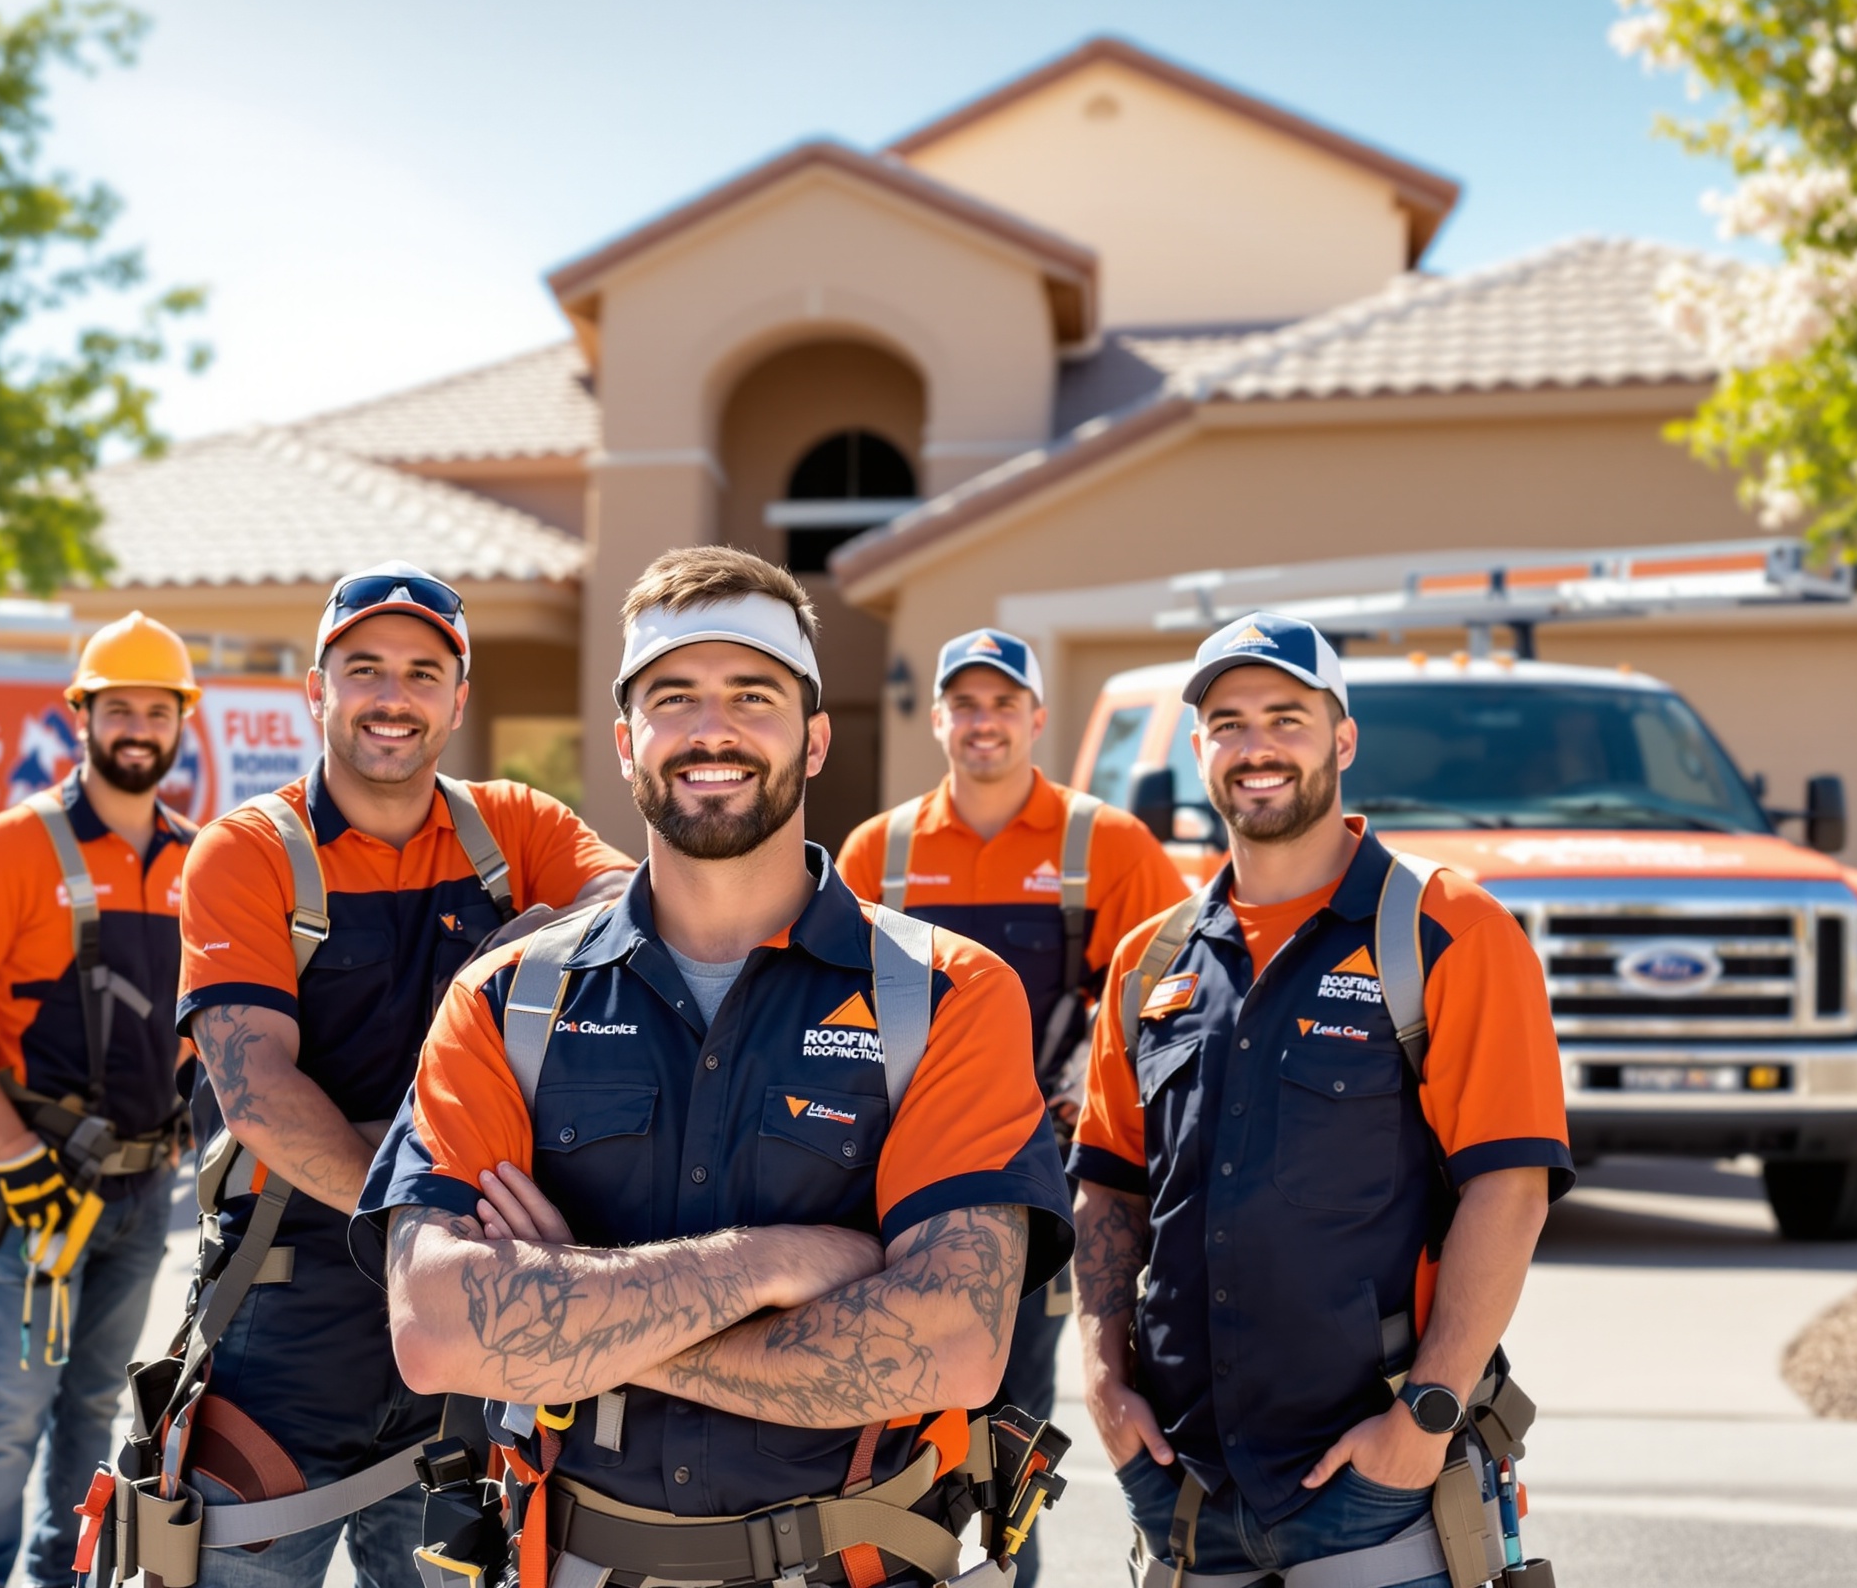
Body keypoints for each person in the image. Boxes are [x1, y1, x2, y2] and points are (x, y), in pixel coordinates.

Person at [361, 547, 1076, 1588]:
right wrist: (774, 1260)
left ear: (816, 737)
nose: (713, 727)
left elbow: (956, 1343)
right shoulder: (506, 997)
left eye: (754, 693)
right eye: (674, 696)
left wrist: (571, 1315)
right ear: (626, 740)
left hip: (856, 1566)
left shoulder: (948, 993)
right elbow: (434, 1330)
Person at [1068, 612, 1571, 1588]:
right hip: (1184, 1479)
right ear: (1200, 747)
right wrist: (1099, 1374)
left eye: (1286, 717)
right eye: (1228, 722)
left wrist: (1424, 1416)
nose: (1256, 746)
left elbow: (1510, 1186)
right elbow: (1110, 1186)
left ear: (1343, 738)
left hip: (1375, 1475)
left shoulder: (1444, 927)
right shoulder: (1149, 961)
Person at [170, 561, 635, 1588]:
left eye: (424, 672)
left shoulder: (515, 829)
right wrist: (420, 1226)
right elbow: (257, 1093)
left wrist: (524, 937)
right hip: (290, 1316)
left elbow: (643, 912)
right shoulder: (247, 852)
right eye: (365, 667)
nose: (394, 696)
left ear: (458, 699)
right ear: (318, 688)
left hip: (469, 1316)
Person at [836, 625, 1186, 1588]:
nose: (983, 722)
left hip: (1035, 1182)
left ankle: (1002, 1573)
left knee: (1010, 1413)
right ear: (939, 718)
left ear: (1037, 719)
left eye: (1003, 705)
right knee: (878, 1405)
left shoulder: (1107, 847)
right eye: (966, 704)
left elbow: (1168, 1001)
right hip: (889, 1177)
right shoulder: (881, 852)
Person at [0, 611, 202, 1588]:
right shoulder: (12, 846)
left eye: (156, 709)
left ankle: (64, 1577)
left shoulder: (198, 860)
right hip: (35, 1188)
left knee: (92, 1409)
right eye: (117, 705)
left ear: (179, 724)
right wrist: (6, 1144)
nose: (137, 725)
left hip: (140, 1190)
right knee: (4, 1407)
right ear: (81, 714)